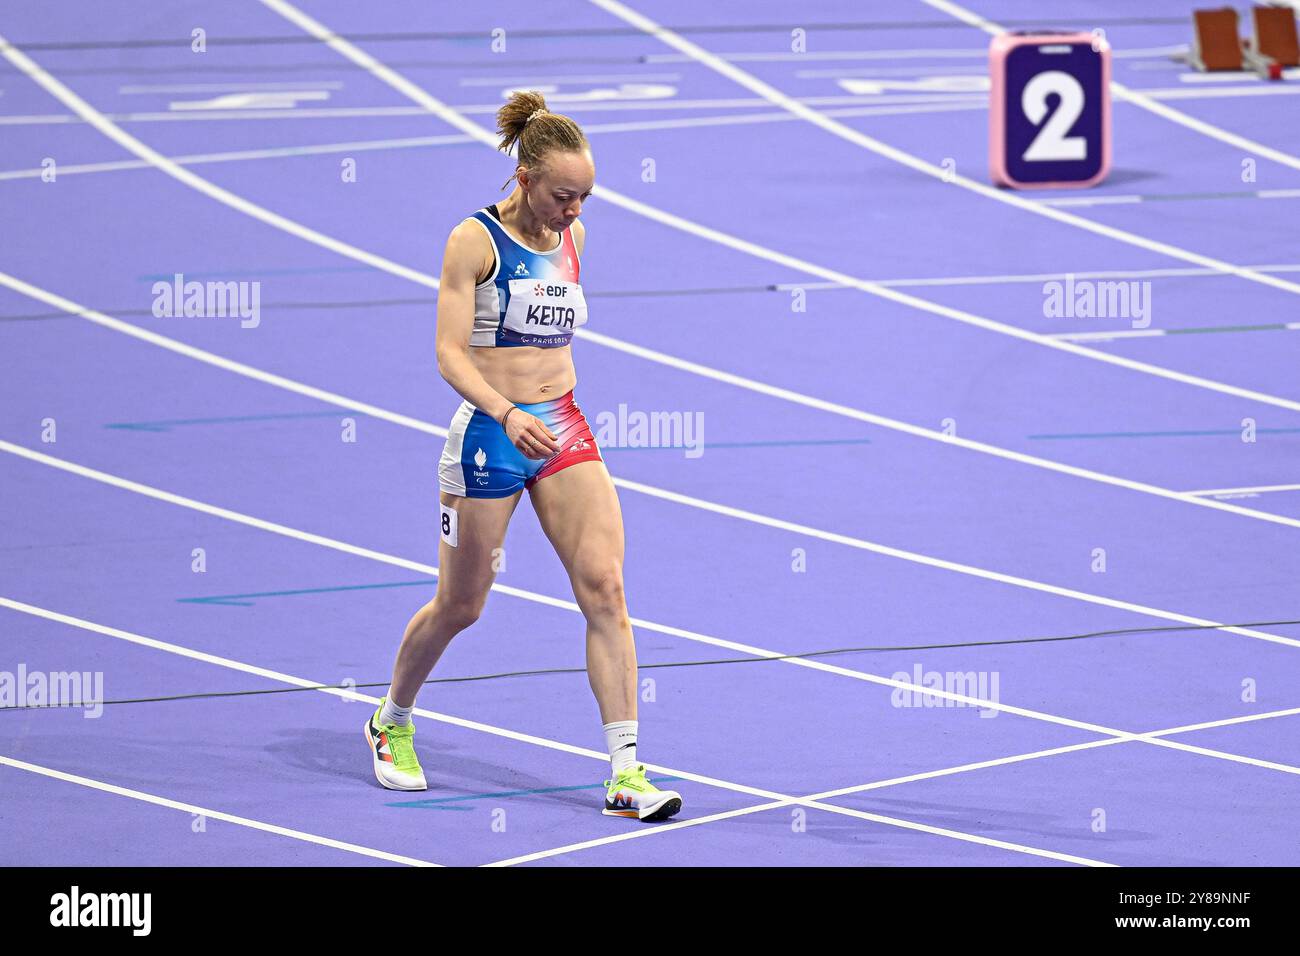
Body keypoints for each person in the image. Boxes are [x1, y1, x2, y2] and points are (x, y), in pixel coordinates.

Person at [363, 90, 681, 822]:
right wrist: (507, 414)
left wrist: (538, 411)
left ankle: (625, 772)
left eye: (585, 197)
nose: (575, 210)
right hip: (489, 434)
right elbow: (448, 353)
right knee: (462, 605)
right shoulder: (472, 242)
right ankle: (391, 720)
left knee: (605, 588)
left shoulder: (573, 237)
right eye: (563, 195)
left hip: (562, 425)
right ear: (525, 178)